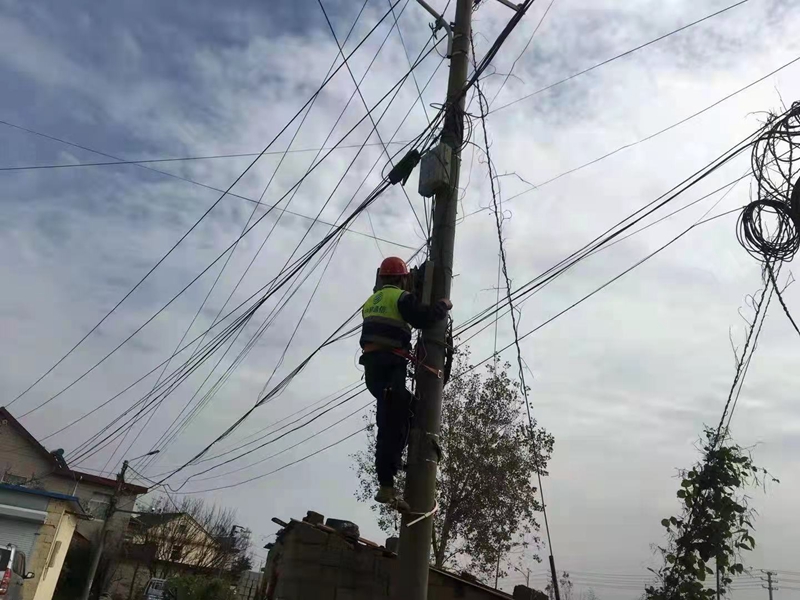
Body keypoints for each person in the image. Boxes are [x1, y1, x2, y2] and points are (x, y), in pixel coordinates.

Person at [360, 256, 452, 511]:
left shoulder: (371, 301)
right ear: (403, 279)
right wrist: (443, 305)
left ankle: (396, 463)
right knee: (391, 423)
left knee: (407, 410)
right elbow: (424, 319)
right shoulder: (401, 298)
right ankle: (386, 484)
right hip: (390, 366)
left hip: (374, 370)